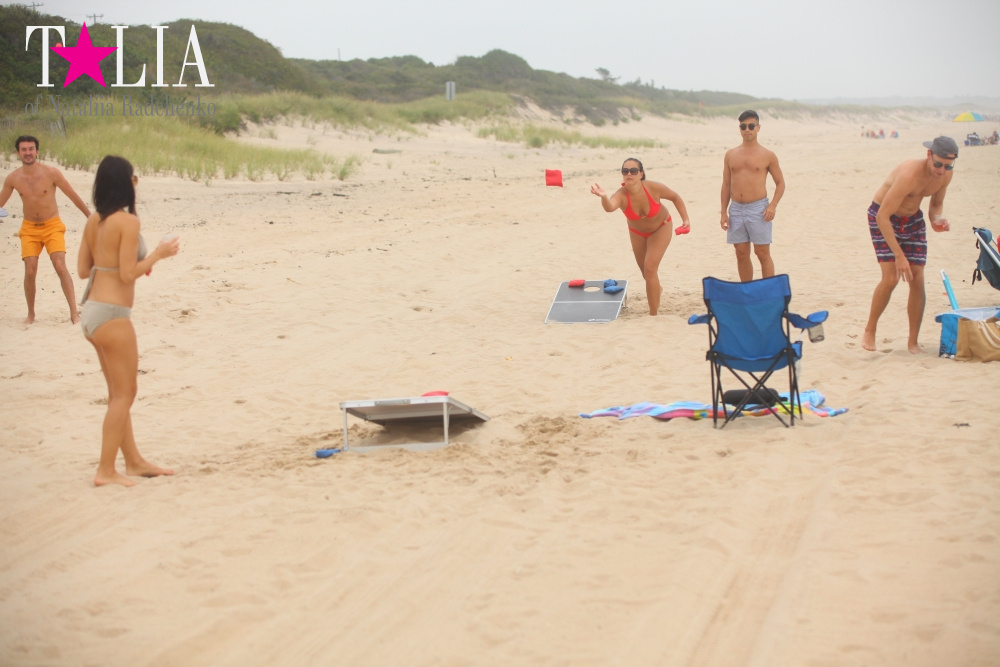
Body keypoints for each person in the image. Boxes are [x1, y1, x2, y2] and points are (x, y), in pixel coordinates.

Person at [78, 155, 180, 487]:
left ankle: (133, 461)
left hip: (92, 312)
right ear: (126, 184)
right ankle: (105, 470)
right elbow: (126, 274)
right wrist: (157, 255)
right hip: (112, 315)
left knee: (116, 394)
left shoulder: (94, 220)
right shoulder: (128, 223)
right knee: (125, 394)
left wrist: (126, 262)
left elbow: (83, 270)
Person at [862, 136, 957, 354]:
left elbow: (936, 203)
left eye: (948, 165)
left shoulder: (945, 176)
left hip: (913, 219)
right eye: (938, 164)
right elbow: (882, 216)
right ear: (929, 155)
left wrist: (936, 220)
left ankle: (913, 341)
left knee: (917, 277)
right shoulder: (909, 175)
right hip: (883, 217)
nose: (942, 169)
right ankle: (870, 328)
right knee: (892, 278)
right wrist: (899, 255)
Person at [0, 135, 92, 324]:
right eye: (24, 149)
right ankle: (31, 314)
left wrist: (90, 217)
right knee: (30, 270)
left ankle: (74, 313)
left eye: (31, 149)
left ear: (37, 151)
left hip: (52, 226)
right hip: (29, 229)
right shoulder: (13, 178)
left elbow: (72, 195)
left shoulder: (51, 173)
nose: (28, 153)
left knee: (59, 265)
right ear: (18, 153)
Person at [590, 158, 691, 316]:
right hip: (637, 233)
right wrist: (603, 197)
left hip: (661, 227)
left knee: (650, 269)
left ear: (641, 174)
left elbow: (675, 197)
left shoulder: (653, 188)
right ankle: (657, 289)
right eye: (625, 171)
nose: (629, 174)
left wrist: (685, 219)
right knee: (646, 273)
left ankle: (653, 314)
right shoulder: (621, 195)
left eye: (633, 171)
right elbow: (610, 207)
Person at [720, 110, 786, 282]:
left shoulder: (768, 155)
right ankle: (747, 291)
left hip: (759, 208)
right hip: (736, 209)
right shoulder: (730, 155)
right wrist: (723, 212)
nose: (747, 130)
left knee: (762, 253)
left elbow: (781, 183)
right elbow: (726, 185)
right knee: (741, 253)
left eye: (751, 126)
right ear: (739, 129)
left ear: (758, 128)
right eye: (743, 126)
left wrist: (772, 205)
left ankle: (768, 293)